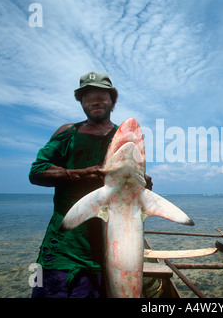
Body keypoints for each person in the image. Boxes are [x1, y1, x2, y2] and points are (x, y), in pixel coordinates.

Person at [29, 71, 152, 298]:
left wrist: (143, 187)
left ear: (112, 101)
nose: (95, 101)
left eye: (102, 96)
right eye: (88, 97)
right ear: (81, 102)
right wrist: (81, 174)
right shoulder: (68, 133)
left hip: (111, 257)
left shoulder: (123, 139)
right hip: (62, 250)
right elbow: (36, 172)